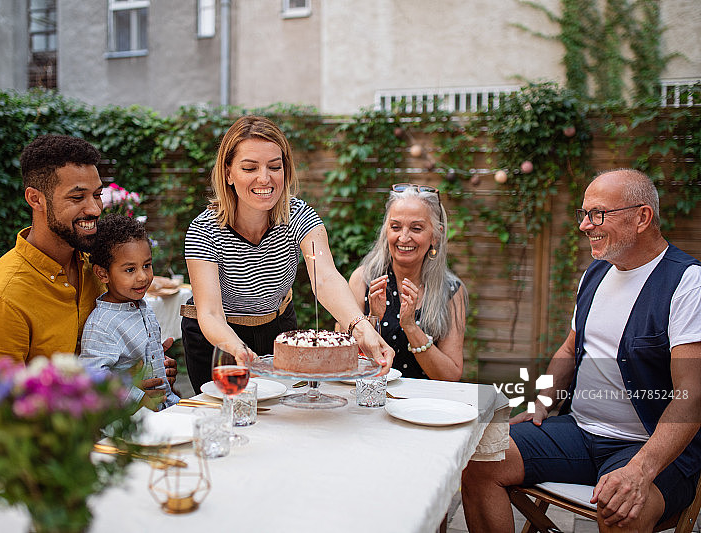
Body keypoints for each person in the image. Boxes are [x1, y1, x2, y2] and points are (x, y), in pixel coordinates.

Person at [461, 169, 701, 532]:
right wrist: (541, 402)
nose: (585, 226)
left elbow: (691, 397)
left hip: (646, 448)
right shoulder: (596, 273)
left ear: (642, 217)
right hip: (579, 431)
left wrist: (639, 469)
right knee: (476, 459)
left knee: (623, 510)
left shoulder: (687, 283)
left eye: (598, 214)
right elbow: (571, 348)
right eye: (584, 214)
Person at [181, 115, 394, 393]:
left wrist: (360, 326)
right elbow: (210, 313)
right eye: (249, 168)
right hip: (216, 339)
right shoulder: (204, 229)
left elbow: (325, 277)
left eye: (274, 166)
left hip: (277, 328)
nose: (264, 178)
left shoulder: (300, 216)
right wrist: (238, 350)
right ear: (228, 173)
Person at [0, 135, 176, 405]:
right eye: (77, 197)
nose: (95, 209)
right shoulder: (0, 300)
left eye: (97, 195)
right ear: (35, 199)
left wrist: (146, 369)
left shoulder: (95, 268)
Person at [348, 184, 467, 380]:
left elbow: (451, 376)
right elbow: (341, 359)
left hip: (424, 405)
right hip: (373, 398)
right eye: (395, 227)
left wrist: (411, 327)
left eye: (416, 228)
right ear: (386, 230)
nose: (404, 237)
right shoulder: (363, 279)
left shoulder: (451, 291)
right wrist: (372, 320)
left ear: (435, 235)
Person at [79, 214, 180, 410]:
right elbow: (93, 377)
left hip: (165, 408)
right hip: (134, 420)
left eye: (146, 266)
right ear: (103, 274)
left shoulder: (141, 305)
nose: (143, 277)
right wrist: (135, 397)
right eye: (130, 270)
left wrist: (159, 362)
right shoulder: (102, 324)